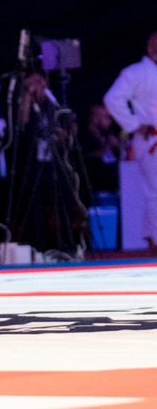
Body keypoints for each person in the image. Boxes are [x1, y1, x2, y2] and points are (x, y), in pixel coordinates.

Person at [104, 33, 157, 255]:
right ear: (150, 46)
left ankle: (151, 236)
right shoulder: (137, 72)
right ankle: (154, 239)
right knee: (154, 191)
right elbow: (112, 98)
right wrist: (135, 125)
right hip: (151, 139)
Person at [81, 104, 121, 195]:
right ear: (95, 118)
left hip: (114, 188)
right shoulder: (85, 137)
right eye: (107, 118)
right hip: (96, 189)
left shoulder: (108, 135)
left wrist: (120, 146)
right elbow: (87, 157)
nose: (110, 122)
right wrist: (107, 147)